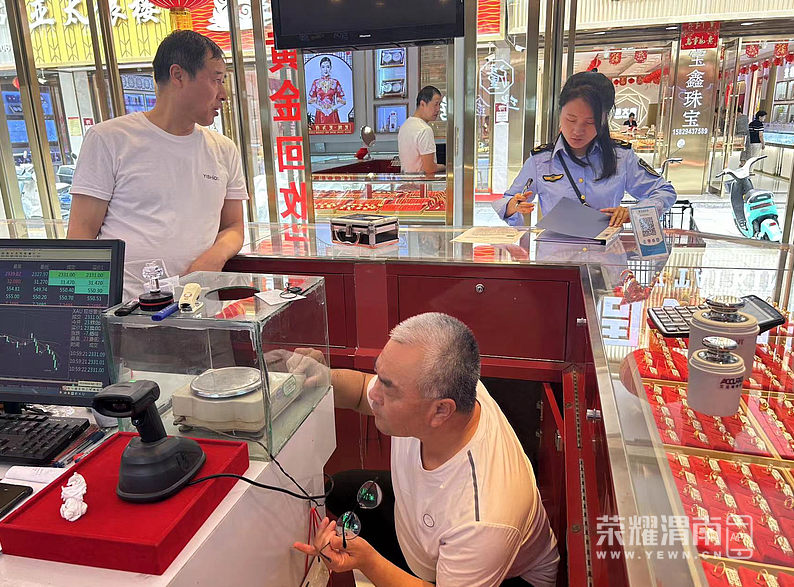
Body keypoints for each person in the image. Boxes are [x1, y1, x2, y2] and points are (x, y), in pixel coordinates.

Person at [293, 313, 559, 587]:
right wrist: (319, 379)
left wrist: (368, 561)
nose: (375, 394)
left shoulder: (484, 519)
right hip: (426, 541)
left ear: (440, 411)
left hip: (505, 577)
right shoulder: (453, 389)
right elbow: (362, 391)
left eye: (388, 388)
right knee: (340, 490)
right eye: (380, 376)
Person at [67, 30, 247, 299]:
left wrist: (213, 258)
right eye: (216, 80)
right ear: (178, 76)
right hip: (128, 309)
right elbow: (81, 234)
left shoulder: (223, 149)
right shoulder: (109, 138)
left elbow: (233, 226)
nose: (223, 94)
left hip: (199, 304)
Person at [492, 71, 677, 228]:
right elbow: (507, 201)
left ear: (604, 120)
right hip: (557, 259)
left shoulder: (621, 157)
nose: (577, 131)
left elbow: (665, 191)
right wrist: (515, 205)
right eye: (570, 120)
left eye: (590, 122)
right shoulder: (541, 160)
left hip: (606, 258)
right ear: (560, 113)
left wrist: (635, 213)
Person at [398, 86, 446, 175]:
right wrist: (445, 167)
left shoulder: (405, 125)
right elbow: (429, 168)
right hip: (420, 184)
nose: (438, 109)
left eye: (439, 104)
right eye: (436, 104)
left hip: (406, 182)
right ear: (422, 104)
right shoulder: (424, 130)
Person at [308, 56, 347, 126]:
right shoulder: (316, 83)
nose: (325, 69)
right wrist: (321, 109)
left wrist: (331, 109)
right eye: (323, 67)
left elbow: (343, 101)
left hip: (333, 114)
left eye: (327, 67)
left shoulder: (335, 82)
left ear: (330, 67)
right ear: (320, 68)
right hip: (320, 114)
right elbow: (310, 101)